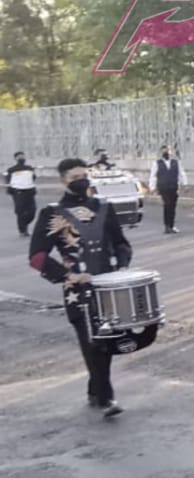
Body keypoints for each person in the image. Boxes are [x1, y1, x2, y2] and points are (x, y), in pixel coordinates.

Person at [28, 158, 133, 418]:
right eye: (74, 177)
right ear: (63, 180)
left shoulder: (103, 207)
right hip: (77, 289)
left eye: (84, 175)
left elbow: (122, 244)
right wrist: (69, 275)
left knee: (106, 342)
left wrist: (121, 265)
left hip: (107, 286)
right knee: (91, 342)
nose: (81, 180)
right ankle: (107, 398)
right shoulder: (52, 213)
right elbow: (37, 257)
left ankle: (96, 388)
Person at [147, 144, 188, 234]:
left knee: (172, 206)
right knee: (167, 204)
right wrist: (152, 187)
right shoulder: (157, 163)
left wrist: (185, 184)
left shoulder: (176, 162)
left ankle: (172, 225)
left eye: (168, 150)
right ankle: (167, 226)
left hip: (173, 187)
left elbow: (181, 174)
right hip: (163, 187)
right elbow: (153, 176)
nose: (166, 152)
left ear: (171, 152)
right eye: (164, 151)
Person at [6, 150, 36, 237]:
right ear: (15, 158)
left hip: (29, 191)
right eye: (19, 157)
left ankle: (25, 223)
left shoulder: (29, 168)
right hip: (18, 192)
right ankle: (23, 230)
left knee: (32, 210)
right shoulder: (11, 170)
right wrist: (12, 191)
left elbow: (33, 178)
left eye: (23, 156)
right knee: (20, 211)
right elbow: (9, 181)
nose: (22, 158)